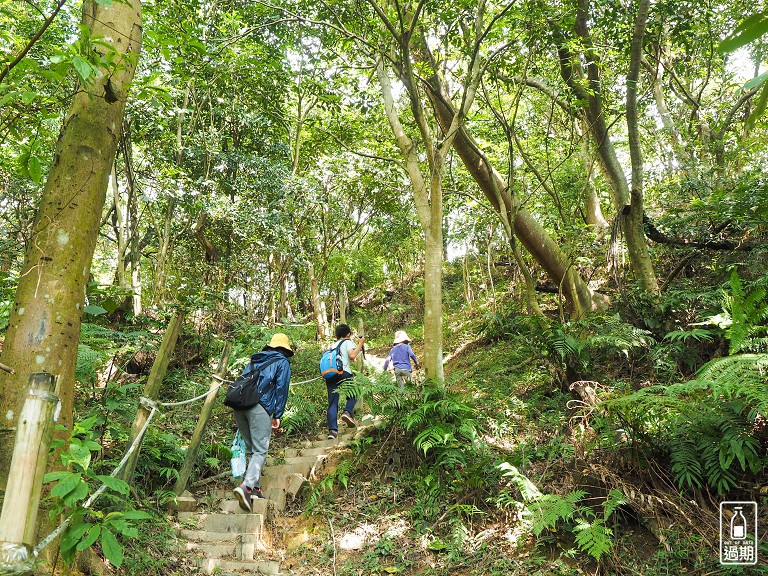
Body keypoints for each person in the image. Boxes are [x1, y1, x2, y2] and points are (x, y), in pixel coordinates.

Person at [232, 333, 293, 513]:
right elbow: (281, 388)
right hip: (260, 407)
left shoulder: (253, 360)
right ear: (284, 349)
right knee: (260, 449)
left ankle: (256, 490)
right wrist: (278, 414)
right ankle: (247, 487)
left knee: (253, 448)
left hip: (239, 406)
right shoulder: (282, 362)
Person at [325, 323, 365, 439]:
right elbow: (352, 356)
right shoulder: (347, 342)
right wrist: (360, 344)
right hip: (343, 373)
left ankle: (332, 431)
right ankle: (347, 412)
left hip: (330, 374)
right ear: (348, 334)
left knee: (332, 403)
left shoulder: (332, 346)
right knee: (354, 392)